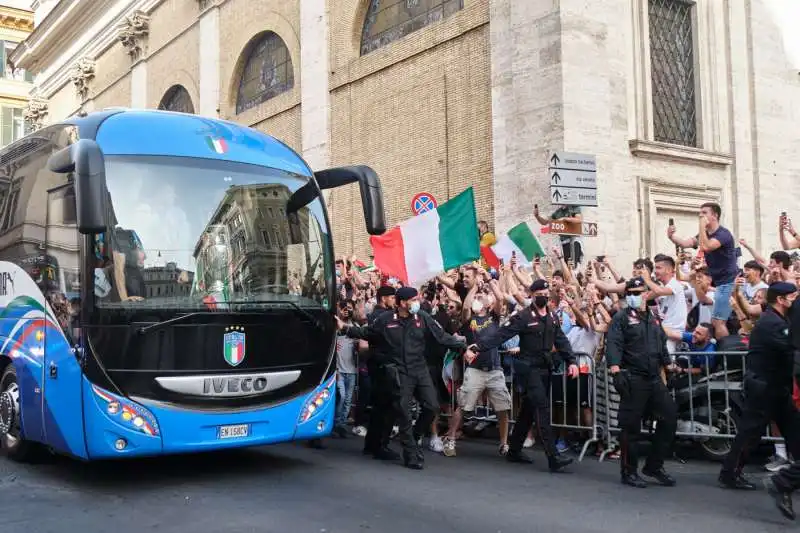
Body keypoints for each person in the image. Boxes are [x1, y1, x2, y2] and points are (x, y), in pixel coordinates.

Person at [338, 287, 467, 470]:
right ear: (401, 303)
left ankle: (414, 436)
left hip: (420, 369)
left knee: (432, 406)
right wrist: (345, 328)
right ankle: (411, 454)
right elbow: (367, 333)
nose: (417, 302)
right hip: (400, 372)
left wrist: (463, 346)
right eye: (413, 299)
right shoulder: (386, 320)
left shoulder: (422, 317)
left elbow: (442, 337)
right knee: (404, 413)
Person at [465, 279, 578, 472]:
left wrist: (572, 361)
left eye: (545, 292)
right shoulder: (523, 316)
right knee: (542, 408)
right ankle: (553, 456)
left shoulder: (552, 317)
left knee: (528, 410)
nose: (543, 295)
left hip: (545, 368)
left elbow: (561, 340)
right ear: (532, 295)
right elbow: (501, 335)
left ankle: (514, 449)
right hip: (528, 368)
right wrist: (478, 347)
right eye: (539, 293)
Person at [719, 282, 800, 491]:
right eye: (792, 297)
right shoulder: (773, 323)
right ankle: (730, 474)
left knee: (794, 429)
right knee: (750, 433)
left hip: (776, 387)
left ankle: (796, 475)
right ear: (781, 300)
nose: (796, 301)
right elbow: (790, 348)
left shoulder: (779, 319)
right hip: (764, 387)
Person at [606, 277, 678, 488]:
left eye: (638, 292)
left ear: (647, 293)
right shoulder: (621, 318)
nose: (634, 297)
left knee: (670, 417)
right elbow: (614, 344)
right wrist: (615, 371)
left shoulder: (653, 318)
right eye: (630, 293)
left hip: (654, 378)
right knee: (631, 427)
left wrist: (669, 366)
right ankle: (629, 471)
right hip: (633, 377)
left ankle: (654, 465)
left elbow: (661, 344)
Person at [668, 202, 738, 339]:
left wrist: (701, 225)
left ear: (715, 215)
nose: (700, 215)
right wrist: (671, 236)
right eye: (700, 213)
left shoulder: (723, 234)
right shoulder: (704, 234)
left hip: (727, 282)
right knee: (715, 321)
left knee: (718, 322)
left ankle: (725, 355)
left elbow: (705, 247)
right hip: (718, 283)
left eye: (704, 213)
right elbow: (684, 243)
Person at [362, 285, 399, 460]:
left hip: (378, 363)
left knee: (379, 407)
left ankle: (372, 443)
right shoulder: (382, 317)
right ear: (383, 298)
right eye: (392, 297)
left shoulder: (376, 316)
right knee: (386, 406)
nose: (394, 300)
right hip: (382, 364)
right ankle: (380, 445)